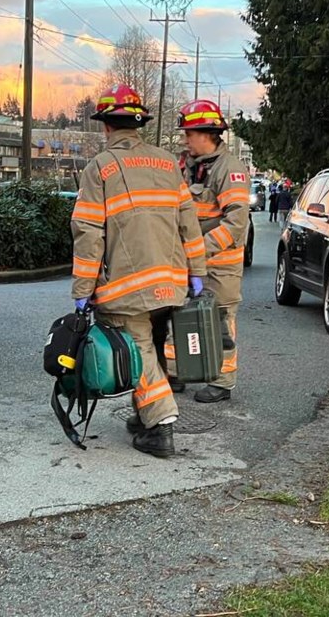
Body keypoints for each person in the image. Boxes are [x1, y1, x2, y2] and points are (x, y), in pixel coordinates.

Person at [70, 84, 208, 457]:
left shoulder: (100, 168)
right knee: (155, 343)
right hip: (172, 282)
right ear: (139, 124)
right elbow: (189, 224)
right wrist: (197, 272)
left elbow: (88, 234)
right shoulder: (167, 163)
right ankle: (143, 414)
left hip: (128, 288)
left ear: (106, 127)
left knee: (141, 350)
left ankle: (160, 426)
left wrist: (83, 290)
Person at [175, 99, 251, 403]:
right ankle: (176, 371)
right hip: (189, 262)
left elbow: (236, 223)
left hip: (220, 264)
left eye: (189, 134)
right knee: (177, 315)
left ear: (205, 133)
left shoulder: (229, 169)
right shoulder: (187, 166)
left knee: (220, 322)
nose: (185, 139)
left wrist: (198, 251)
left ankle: (222, 381)